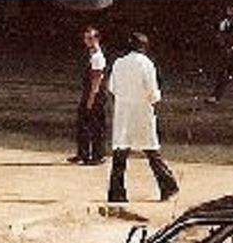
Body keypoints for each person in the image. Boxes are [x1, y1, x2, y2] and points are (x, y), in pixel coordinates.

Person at [106, 31, 179, 203]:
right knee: (151, 150)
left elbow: (112, 87)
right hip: (142, 112)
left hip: (123, 113)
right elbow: (153, 92)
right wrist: (154, 100)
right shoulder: (146, 64)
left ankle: (116, 192)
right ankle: (167, 185)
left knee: (120, 152)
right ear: (143, 47)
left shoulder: (118, 63)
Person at [68, 26, 108, 166]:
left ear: (97, 39)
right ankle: (83, 153)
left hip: (95, 93)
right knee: (83, 123)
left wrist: (91, 98)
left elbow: (96, 79)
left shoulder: (97, 57)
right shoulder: (91, 54)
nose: (87, 41)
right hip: (89, 92)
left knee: (96, 125)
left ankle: (98, 155)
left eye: (90, 38)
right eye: (86, 38)